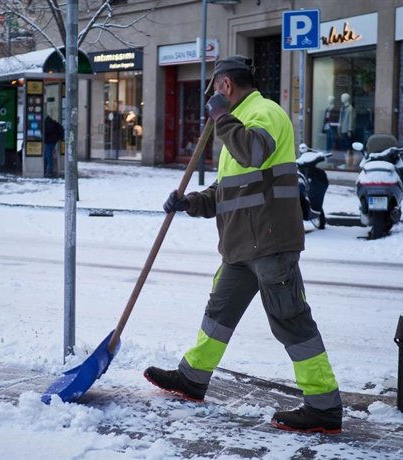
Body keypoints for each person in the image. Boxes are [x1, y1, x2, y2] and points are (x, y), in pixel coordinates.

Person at [143, 55, 343, 434]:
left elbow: (253, 153)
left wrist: (221, 118)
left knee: (291, 319)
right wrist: (190, 202)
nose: (212, 102)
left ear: (225, 86)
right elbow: (227, 192)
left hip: (269, 243)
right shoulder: (238, 124)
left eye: (214, 93)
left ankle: (323, 405)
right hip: (239, 247)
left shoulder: (264, 113)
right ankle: (192, 378)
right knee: (217, 315)